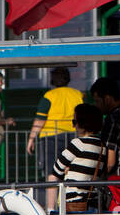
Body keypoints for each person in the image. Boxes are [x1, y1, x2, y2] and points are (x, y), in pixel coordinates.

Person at [27, 67, 83, 205]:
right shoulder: (78, 94)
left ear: (53, 80)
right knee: (69, 172)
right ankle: (68, 205)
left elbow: (40, 120)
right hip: (72, 136)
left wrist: (31, 138)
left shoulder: (49, 96)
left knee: (52, 173)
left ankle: (51, 207)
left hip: (50, 137)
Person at [49, 104, 108, 213]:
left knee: (51, 177)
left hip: (73, 202)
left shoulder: (78, 144)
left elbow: (56, 171)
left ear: (83, 123)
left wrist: (68, 169)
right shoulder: (102, 147)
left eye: (75, 122)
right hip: (93, 202)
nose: (73, 126)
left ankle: (50, 210)